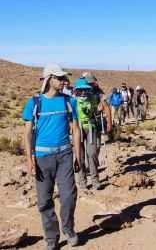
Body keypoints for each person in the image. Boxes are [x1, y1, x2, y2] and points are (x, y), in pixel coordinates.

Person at [21, 64, 81, 250]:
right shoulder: (34, 103)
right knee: (44, 201)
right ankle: (51, 238)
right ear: (49, 79)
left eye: (64, 78)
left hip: (64, 155)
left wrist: (78, 155)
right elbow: (28, 134)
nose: (64, 81)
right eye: (60, 78)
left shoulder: (68, 101)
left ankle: (68, 229)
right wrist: (29, 160)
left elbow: (76, 130)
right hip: (42, 157)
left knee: (69, 196)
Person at [74, 78, 104, 190]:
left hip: (91, 128)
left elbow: (97, 109)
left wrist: (99, 109)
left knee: (92, 154)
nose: (83, 92)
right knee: (80, 156)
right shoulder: (73, 101)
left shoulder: (93, 99)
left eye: (85, 90)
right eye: (80, 90)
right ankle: (82, 182)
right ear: (76, 91)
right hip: (78, 129)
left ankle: (95, 180)